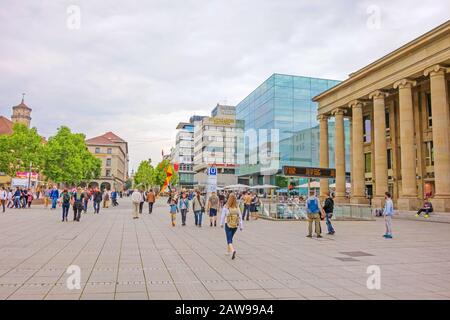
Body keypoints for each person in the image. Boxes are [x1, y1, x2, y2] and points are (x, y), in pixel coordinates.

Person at [220, 193, 243, 260]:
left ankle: (233, 250)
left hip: (228, 224)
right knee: (230, 237)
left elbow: (222, 216)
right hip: (235, 225)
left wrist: (221, 223)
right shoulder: (237, 207)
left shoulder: (226, 206)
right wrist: (241, 226)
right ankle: (228, 251)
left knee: (229, 239)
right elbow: (240, 217)